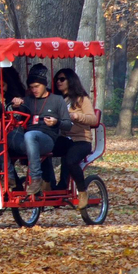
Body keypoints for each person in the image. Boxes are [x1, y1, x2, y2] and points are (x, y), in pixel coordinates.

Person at [10, 64, 72, 196]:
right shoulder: (27, 100)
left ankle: (36, 178)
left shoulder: (57, 100)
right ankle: (11, 179)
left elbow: (68, 124)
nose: (34, 90)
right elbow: (18, 115)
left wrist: (56, 122)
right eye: (32, 87)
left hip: (47, 139)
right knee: (7, 138)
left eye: (37, 86)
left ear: (44, 84)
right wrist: (16, 106)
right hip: (28, 139)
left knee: (31, 135)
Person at [51, 68, 98, 209]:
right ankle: (51, 186)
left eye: (62, 79)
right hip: (65, 139)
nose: (58, 82)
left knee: (71, 160)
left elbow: (93, 119)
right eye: (57, 80)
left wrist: (78, 116)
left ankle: (82, 191)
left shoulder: (81, 99)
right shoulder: (57, 100)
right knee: (42, 149)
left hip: (81, 140)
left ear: (71, 80)